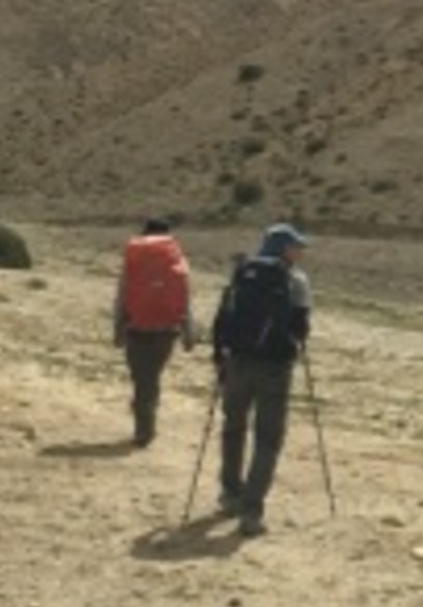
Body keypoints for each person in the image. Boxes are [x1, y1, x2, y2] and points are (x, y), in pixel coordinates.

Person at [201, 223, 311, 535]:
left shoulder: (243, 272)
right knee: (268, 438)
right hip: (275, 368)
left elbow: (223, 317)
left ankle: (230, 494)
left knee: (233, 427)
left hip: (237, 361)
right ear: (285, 248)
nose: (301, 252)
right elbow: (301, 328)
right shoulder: (295, 280)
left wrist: (219, 356)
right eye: (297, 247)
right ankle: (251, 511)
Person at [109, 216, 194, 446]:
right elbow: (184, 298)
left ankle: (144, 428)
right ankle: (147, 422)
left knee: (142, 379)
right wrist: (188, 332)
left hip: (136, 328)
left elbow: (122, 297)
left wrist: (117, 329)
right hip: (166, 330)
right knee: (152, 376)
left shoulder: (134, 259)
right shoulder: (177, 260)